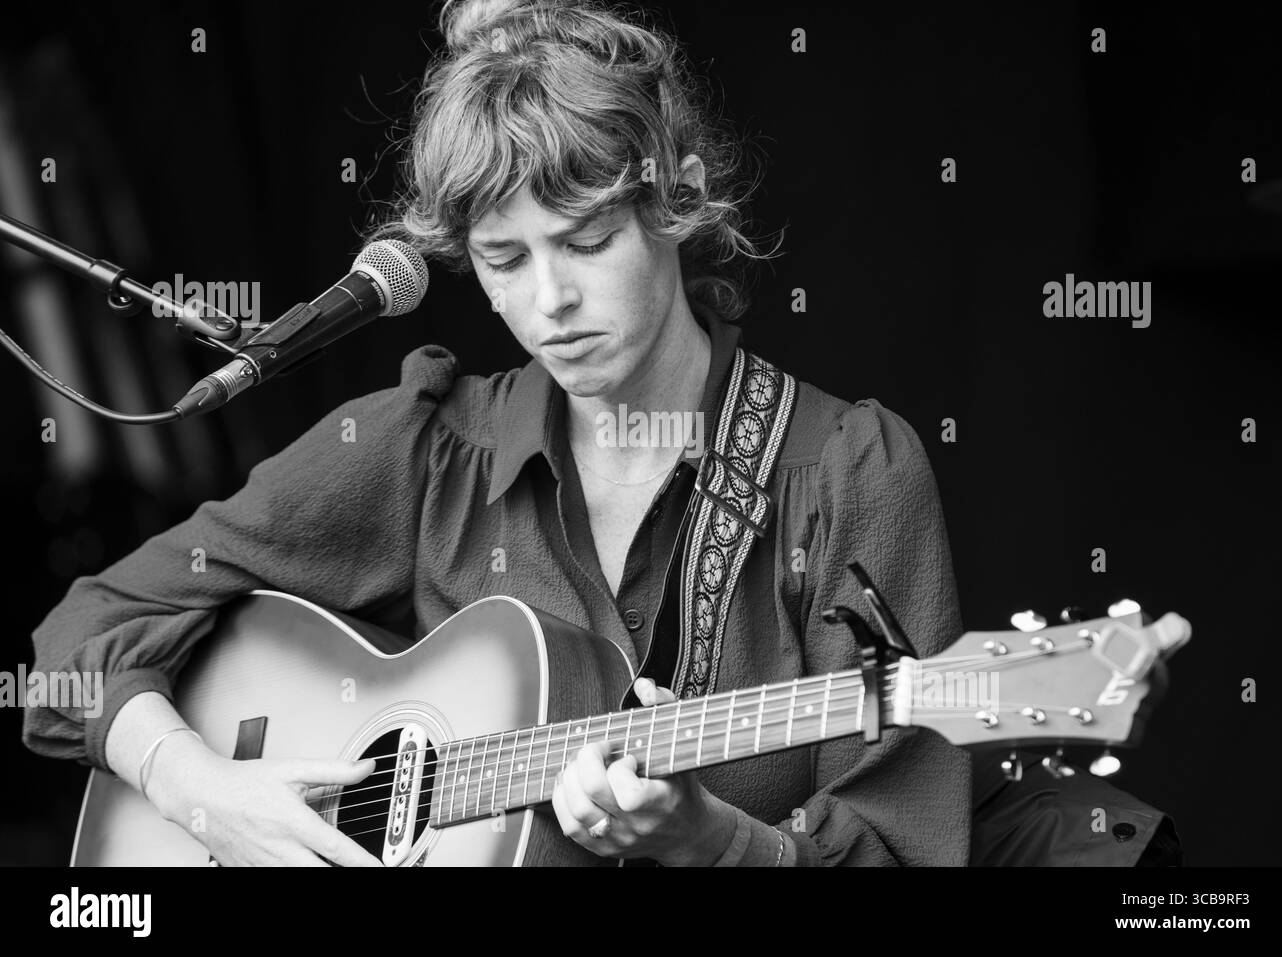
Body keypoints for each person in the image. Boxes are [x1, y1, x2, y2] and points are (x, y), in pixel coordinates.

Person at [23, 0, 972, 866]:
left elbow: (909, 850)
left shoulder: (847, 473)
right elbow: (83, 632)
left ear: (676, 202)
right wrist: (204, 795)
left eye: (588, 243)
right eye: (503, 259)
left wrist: (714, 841)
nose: (550, 300)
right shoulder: (426, 450)